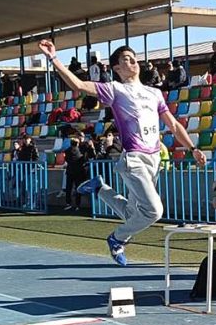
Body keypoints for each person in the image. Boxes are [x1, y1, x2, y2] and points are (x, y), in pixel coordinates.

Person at [40, 38, 206, 266]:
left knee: (132, 215)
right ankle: (117, 238)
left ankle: (99, 188)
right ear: (117, 68)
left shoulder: (154, 93)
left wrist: (193, 148)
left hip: (154, 159)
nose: (132, 62)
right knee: (154, 211)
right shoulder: (115, 89)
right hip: (134, 158)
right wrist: (53, 58)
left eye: (133, 58)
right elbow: (78, 85)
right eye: (126, 59)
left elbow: (174, 126)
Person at [63, 131, 95, 211]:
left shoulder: (85, 145)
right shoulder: (72, 149)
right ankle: (73, 204)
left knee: (75, 187)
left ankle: (74, 204)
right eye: (78, 136)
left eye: (81, 136)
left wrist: (92, 147)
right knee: (71, 187)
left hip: (79, 170)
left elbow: (91, 155)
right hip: (77, 170)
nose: (80, 138)